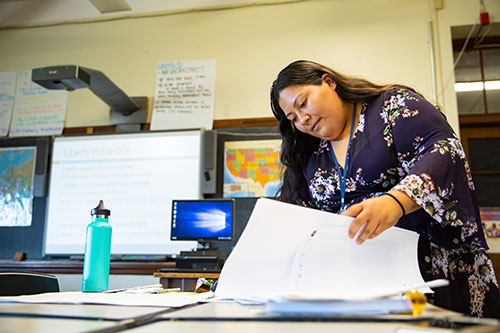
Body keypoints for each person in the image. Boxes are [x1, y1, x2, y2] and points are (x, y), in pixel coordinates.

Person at [270, 60, 500, 318]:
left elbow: (443, 151)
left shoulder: (393, 106)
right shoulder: (310, 151)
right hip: (359, 282)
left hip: (431, 271)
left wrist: (396, 202)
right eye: (293, 118)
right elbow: (302, 214)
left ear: (328, 81)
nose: (303, 119)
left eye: (303, 103)